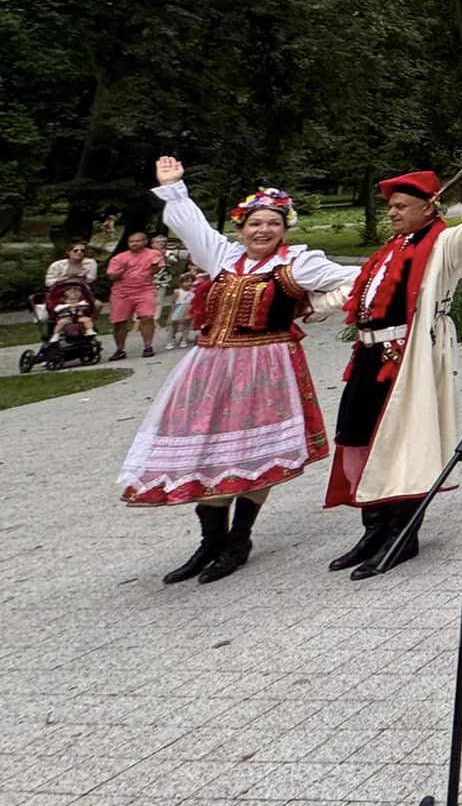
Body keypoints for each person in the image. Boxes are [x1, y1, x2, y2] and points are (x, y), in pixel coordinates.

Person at [119, 159, 356, 584]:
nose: (262, 231)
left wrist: (319, 305)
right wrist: (174, 188)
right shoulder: (223, 257)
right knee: (204, 449)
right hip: (210, 366)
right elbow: (191, 227)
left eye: (272, 224)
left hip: (267, 366)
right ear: (241, 227)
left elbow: (361, 277)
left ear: (285, 228)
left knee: (251, 453)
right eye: (254, 223)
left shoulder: (299, 264)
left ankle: (238, 538)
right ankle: (209, 541)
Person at [324, 164, 462, 578]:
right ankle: (374, 529)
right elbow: (358, 291)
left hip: (408, 357)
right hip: (369, 359)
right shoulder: (390, 250)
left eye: (402, 205)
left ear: (428, 208)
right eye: (390, 206)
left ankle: (402, 534)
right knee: (361, 438)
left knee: (403, 443)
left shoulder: (442, 243)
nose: (393, 212)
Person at [105, 229, 166, 360]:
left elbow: (156, 270)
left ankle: (148, 346)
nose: (134, 243)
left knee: (147, 317)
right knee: (119, 322)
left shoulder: (154, 254)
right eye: (131, 241)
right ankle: (120, 349)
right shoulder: (119, 258)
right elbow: (111, 276)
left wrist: (156, 265)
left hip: (145, 289)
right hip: (121, 292)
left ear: (145, 242)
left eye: (137, 241)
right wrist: (122, 271)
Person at [41, 239, 96, 335]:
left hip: (80, 293)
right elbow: (48, 283)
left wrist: (82, 275)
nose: (79, 253)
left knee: (97, 305)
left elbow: (91, 279)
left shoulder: (89, 263)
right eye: (75, 250)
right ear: (68, 252)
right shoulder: (58, 265)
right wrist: (65, 278)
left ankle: (88, 326)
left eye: (82, 251)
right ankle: (57, 331)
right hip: (61, 294)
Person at [166, 266, 198, 348]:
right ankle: (170, 340)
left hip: (188, 310)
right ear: (181, 283)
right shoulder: (177, 292)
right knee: (173, 326)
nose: (189, 284)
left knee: (186, 326)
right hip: (178, 309)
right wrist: (171, 313)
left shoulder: (193, 291)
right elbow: (173, 303)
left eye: (190, 282)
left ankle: (184, 339)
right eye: (186, 282)